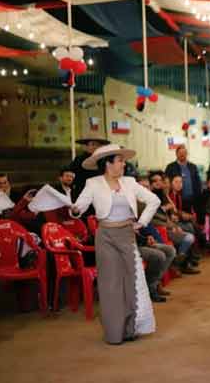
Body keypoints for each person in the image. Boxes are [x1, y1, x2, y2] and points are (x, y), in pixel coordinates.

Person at [70, 144, 160, 345]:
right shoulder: (93, 183)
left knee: (131, 282)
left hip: (127, 235)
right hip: (106, 237)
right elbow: (80, 207)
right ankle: (114, 333)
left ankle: (130, 329)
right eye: (120, 160)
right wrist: (75, 210)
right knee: (110, 285)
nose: (123, 163)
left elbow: (154, 201)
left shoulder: (129, 182)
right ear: (108, 164)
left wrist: (142, 222)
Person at [165, 145, 201, 212]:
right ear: (176, 154)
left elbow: (198, 182)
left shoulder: (193, 166)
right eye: (180, 153)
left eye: (184, 152)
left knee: (191, 218)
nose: (182, 154)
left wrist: (198, 195)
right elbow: (167, 183)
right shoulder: (170, 167)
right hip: (178, 199)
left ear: (187, 154)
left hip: (192, 198)